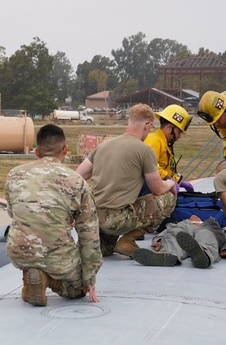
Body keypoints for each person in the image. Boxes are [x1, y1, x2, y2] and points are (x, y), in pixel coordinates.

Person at [6, 124, 102, 306]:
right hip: (56, 255)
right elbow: (89, 233)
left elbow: (13, 212)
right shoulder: (76, 181)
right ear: (65, 150)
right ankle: (47, 279)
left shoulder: (14, 175)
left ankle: (31, 273)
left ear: (36, 152)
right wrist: (89, 278)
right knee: (76, 291)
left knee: (34, 254)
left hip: (19, 251)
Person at [76, 104, 177, 257]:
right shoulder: (145, 150)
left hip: (94, 218)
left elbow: (77, 177)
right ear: (147, 125)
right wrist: (171, 183)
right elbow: (157, 189)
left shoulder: (103, 146)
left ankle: (97, 244)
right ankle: (128, 240)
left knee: (106, 250)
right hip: (118, 220)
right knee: (168, 198)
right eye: (150, 128)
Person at [131, 215, 226, 269]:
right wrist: (159, 240)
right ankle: (168, 255)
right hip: (184, 231)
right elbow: (167, 232)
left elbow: (221, 237)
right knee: (175, 233)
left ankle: (203, 255)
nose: (194, 216)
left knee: (206, 235)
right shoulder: (181, 224)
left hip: (205, 229)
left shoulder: (211, 224)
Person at [144, 104, 195, 191]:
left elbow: (166, 170)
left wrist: (178, 181)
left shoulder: (165, 144)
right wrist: (169, 179)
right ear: (169, 127)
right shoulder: (154, 141)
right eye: (179, 132)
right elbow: (150, 167)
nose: (179, 137)